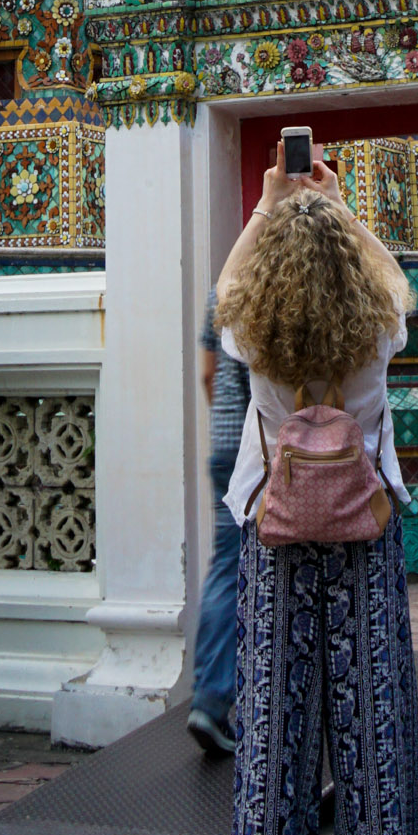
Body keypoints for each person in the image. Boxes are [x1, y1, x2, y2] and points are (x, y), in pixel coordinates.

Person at [217, 141, 418, 835]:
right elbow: (391, 283)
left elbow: (224, 291)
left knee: (273, 735)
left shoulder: (250, 335)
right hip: (364, 532)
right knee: (375, 733)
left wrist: (270, 204)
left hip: (272, 532)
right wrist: (338, 210)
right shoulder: (378, 332)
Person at [188, 288, 251, 755]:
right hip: (257, 451)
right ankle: (214, 701)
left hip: (223, 447)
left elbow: (209, 376)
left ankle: (210, 697)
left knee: (225, 568)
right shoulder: (274, 282)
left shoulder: (221, 291)